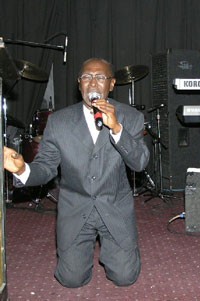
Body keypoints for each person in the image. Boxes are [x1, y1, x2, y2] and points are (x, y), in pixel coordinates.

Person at [3, 58, 150, 288]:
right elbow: (46, 167)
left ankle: (124, 248)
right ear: (78, 84)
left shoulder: (130, 117)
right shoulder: (59, 122)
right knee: (71, 279)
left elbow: (140, 163)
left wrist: (117, 129)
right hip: (76, 207)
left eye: (100, 77)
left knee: (124, 277)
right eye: (86, 77)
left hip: (114, 207)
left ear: (111, 84)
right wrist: (23, 169)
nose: (93, 83)